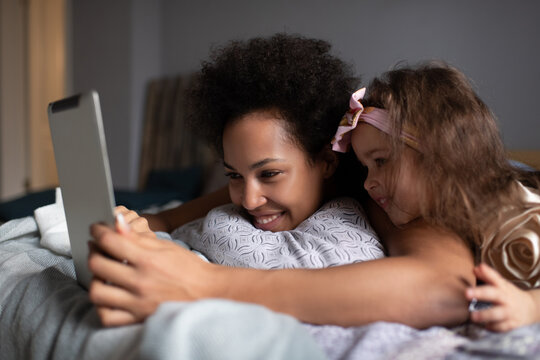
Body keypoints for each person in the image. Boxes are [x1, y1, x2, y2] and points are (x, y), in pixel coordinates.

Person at [88, 57, 476, 328]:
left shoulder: (386, 189)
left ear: (327, 160)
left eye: (270, 173)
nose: (249, 200)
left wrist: (204, 284)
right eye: (234, 174)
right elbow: (181, 213)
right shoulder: (259, 187)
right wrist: (144, 223)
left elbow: (446, 288)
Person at [331, 62, 540, 333]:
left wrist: (531, 306)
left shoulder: (516, 213)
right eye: (366, 168)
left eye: (381, 161)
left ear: (441, 155)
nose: (369, 183)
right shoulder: (446, 223)